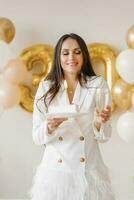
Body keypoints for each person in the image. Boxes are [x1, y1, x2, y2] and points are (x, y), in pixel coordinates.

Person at [31, 33, 115, 200]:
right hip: (54, 174)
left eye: (77, 52)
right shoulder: (46, 87)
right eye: (65, 53)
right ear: (58, 57)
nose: (71, 57)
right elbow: (36, 137)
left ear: (84, 55)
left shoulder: (97, 85)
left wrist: (99, 123)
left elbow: (104, 136)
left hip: (88, 172)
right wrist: (49, 127)